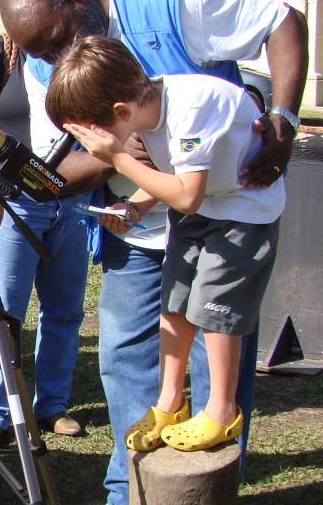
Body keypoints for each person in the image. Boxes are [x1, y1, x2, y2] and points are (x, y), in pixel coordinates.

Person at [0, 0, 307, 505]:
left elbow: (283, 24)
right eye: (39, 51)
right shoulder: (47, 62)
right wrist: (58, 177)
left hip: (224, 216)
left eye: (57, 37)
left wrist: (283, 120)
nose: (53, 56)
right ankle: (130, 502)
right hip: (139, 227)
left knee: (217, 350)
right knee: (127, 354)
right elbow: (77, 156)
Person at [48, 36, 284, 451]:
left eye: (90, 136)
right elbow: (173, 178)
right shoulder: (145, 110)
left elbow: (187, 193)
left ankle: (222, 411)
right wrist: (135, 207)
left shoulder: (190, 108)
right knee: (174, 303)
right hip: (204, 206)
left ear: (120, 112)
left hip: (243, 211)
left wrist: (117, 158)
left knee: (215, 311)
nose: (89, 148)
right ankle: (170, 401)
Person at [0, 29, 88, 448]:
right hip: (13, 203)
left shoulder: (82, 46)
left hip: (73, 199)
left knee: (65, 310)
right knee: (1, 316)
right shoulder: (2, 50)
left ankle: (51, 405)